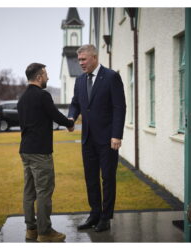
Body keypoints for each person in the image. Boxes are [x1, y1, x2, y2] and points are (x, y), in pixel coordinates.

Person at [68, 44, 126, 232]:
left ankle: (105, 218)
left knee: (107, 178)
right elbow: (75, 103)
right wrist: (71, 117)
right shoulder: (79, 81)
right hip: (87, 139)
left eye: (84, 59)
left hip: (108, 139)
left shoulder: (111, 77)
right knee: (90, 178)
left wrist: (117, 135)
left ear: (94, 57)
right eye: (79, 60)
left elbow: (119, 107)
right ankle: (94, 214)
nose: (81, 63)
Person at [17, 63, 74, 242]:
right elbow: (55, 115)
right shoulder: (43, 95)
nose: (48, 78)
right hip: (40, 152)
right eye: (46, 74)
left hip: (25, 150)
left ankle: (30, 230)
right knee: (44, 191)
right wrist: (70, 122)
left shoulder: (22, 98)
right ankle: (44, 232)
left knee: (29, 191)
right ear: (39, 76)